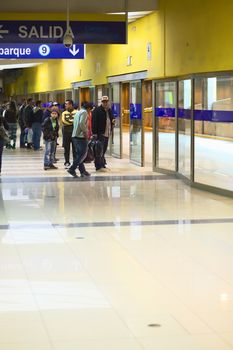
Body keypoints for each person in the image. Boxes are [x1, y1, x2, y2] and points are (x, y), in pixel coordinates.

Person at [67, 102, 93, 178]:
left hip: (75, 136)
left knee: (79, 155)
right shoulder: (84, 112)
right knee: (82, 155)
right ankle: (72, 169)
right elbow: (82, 123)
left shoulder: (78, 112)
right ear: (88, 108)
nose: (90, 112)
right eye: (90, 110)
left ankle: (83, 171)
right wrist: (85, 133)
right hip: (80, 137)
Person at [91, 96, 114, 171]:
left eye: (106, 102)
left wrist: (113, 121)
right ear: (101, 102)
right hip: (100, 133)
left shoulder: (109, 110)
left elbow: (112, 118)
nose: (105, 103)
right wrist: (94, 133)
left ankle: (102, 164)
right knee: (99, 151)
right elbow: (94, 122)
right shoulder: (97, 111)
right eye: (103, 102)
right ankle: (98, 166)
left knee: (103, 150)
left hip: (107, 133)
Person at [61, 99, 77, 168]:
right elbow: (64, 121)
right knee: (66, 149)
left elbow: (77, 121)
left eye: (66, 104)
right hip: (66, 133)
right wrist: (72, 122)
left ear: (71, 104)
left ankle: (75, 162)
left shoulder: (77, 112)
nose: (65, 105)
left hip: (74, 132)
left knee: (75, 149)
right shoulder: (64, 113)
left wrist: (70, 122)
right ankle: (67, 162)